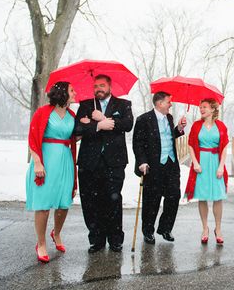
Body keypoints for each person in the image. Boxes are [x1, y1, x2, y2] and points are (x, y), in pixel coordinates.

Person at [74, 74, 134, 253]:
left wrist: (103, 120)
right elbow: (77, 128)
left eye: (101, 85)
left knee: (113, 200)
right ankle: (96, 239)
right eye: (95, 86)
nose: (98, 89)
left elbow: (128, 124)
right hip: (89, 163)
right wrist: (97, 126)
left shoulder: (124, 105)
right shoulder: (85, 105)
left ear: (110, 86)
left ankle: (115, 239)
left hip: (114, 163)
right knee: (91, 202)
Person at [27, 81, 77, 263]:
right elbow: (32, 138)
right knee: (43, 205)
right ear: (63, 93)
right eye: (72, 90)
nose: (75, 93)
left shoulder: (72, 115)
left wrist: (87, 127)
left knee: (64, 204)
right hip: (46, 161)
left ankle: (56, 233)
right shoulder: (43, 112)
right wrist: (38, 163)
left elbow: (72, 137)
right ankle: (41, 243)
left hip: (66, 161)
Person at [133, 91, 187, 244]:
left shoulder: (169, 118)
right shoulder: (143, 120)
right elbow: (138, 144)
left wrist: (179, 128)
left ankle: (165, 229)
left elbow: (170, 136)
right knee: (152, 200)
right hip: (153, 166)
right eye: (168, 102)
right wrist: (142, 162)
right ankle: (148, 231)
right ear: (159, 103)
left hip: (171, 164)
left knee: (174, 196)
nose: (171, 104)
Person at [184, 99, 229, 245]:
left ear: (212, 109)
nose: (201, 109)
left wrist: (221, 166)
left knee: (217, 196)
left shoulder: (221, 126)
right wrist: (195, 162)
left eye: (204, 107)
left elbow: (224, 147)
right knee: (202, 196)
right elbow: (190, 145)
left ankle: (219, 229)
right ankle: (205, 228)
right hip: (201, 163)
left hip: (216, 161)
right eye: (200, 107)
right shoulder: (197, 126)